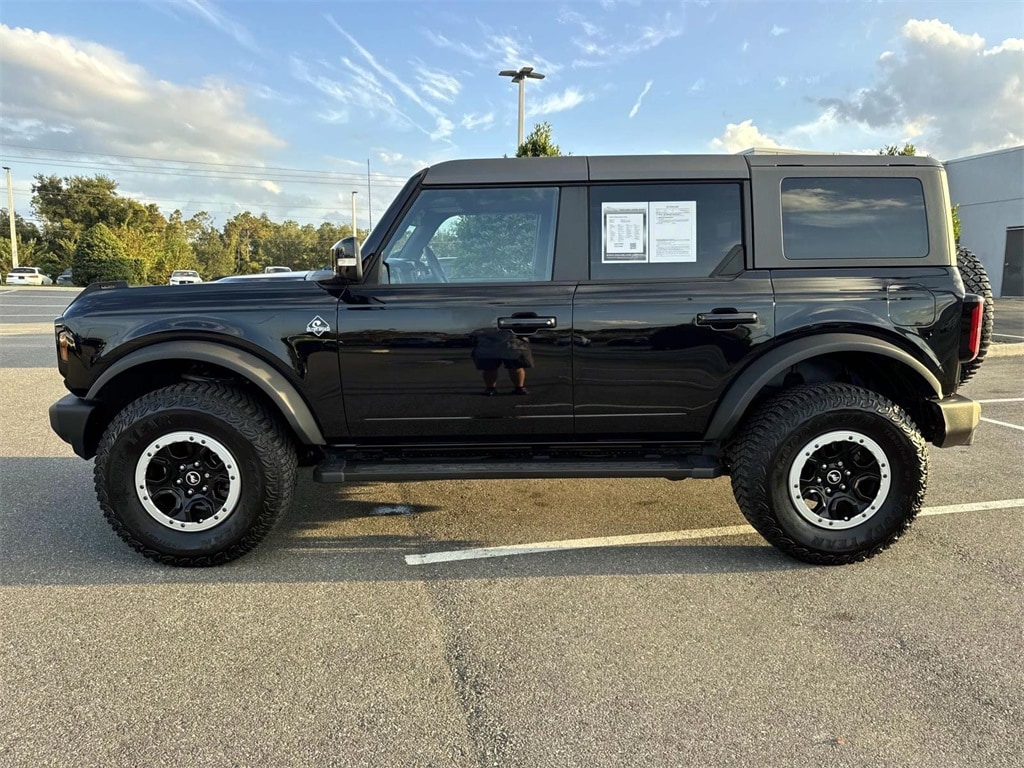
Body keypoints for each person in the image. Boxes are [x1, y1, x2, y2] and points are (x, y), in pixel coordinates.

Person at [470, 328, 533, 395]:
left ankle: (519, 388)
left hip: (511, 339)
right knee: (489, 367)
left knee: (516, 366)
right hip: (490, 339)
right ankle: (490, 388)